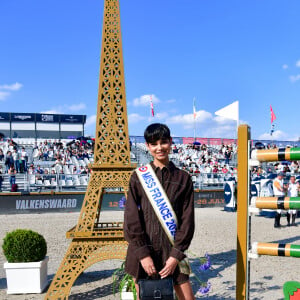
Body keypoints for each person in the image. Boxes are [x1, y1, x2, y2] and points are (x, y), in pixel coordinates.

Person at [124, 123, 195, 300]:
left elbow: (187, 221)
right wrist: (143, 255)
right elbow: (131, 220)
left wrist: (175, 256)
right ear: (147, 146)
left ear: (170, 143)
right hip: (143, 254)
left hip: (172, 251)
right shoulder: (138, 177)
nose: (159, 147)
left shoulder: (183, 178)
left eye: (163, 142)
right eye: (154, 143)